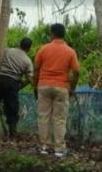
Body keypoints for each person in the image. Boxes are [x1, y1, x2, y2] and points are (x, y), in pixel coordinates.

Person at [33, 24, 80, 157]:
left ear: (52, 34)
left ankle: (44, 147)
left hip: (44, 86)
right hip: (62, 87)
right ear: (63, 35)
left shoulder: (43, 49)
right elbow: (76, 71)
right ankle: (59, 149)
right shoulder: (70, 51)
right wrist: (73, 87)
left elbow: (36, 69)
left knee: (44, 117)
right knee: (59, 118)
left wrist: (35, 86)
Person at [0, 38, 34, 138]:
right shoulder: (28, 61)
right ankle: (12, 132)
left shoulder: (8, 51)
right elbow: (30, 78)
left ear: (20, 44)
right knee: (12, 108)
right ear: (29, 48)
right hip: (12, 83)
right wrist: (21, 85)